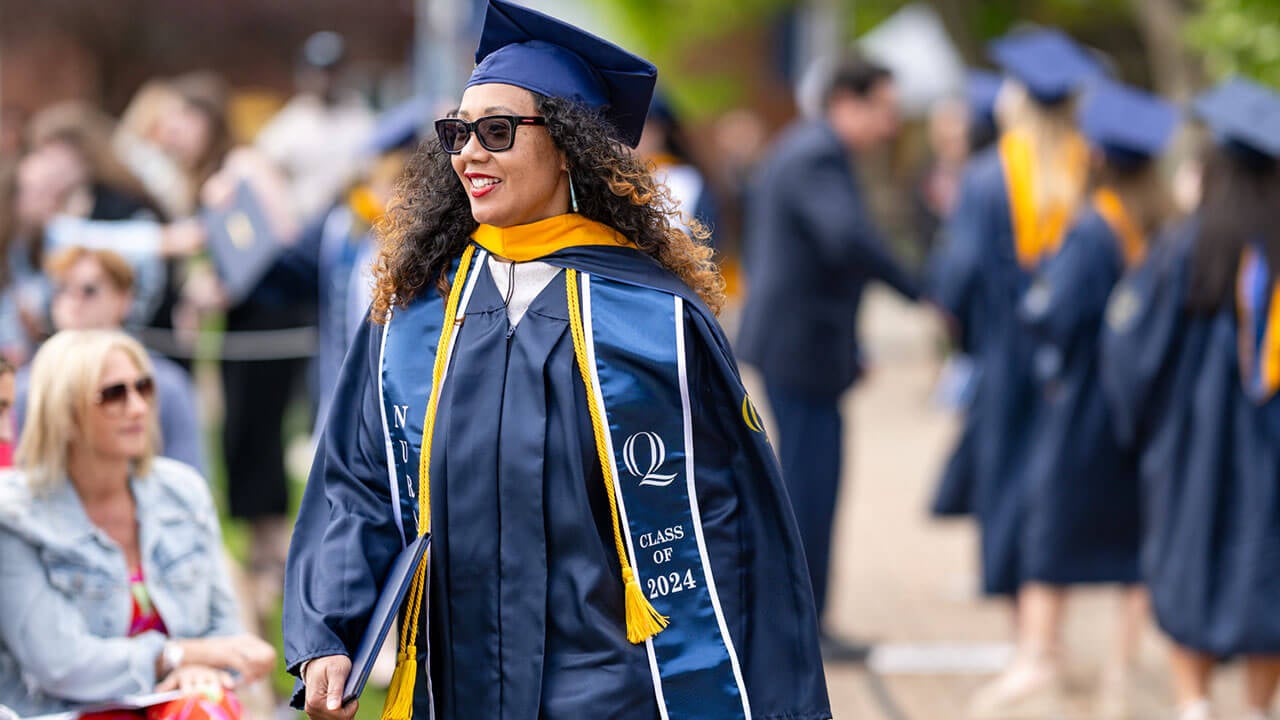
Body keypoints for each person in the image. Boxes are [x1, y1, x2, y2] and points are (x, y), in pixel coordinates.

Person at [284, 2, 829, 719]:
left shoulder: (655, 318)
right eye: (458, 132)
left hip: (616, 685)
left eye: (498, 132)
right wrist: (330, 628)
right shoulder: (416, 314)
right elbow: (357, 483)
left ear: (569, 145)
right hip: (456, 681)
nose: (469, 153)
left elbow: (733, 525)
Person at [970, 81, 1179, 718]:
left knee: (1050, 531)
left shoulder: (1092, 230)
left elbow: (1053, 315)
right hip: (1136, 404)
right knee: (1134, 539)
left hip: (1082, 400)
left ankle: (1036, 658)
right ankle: (1125, 668)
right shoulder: (1158, 226)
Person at [1100, 77, 1280, 720]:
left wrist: (1140, 427)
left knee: (1188, 553)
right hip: (1271, 447)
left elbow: (1131, 350)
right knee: (1267, 563)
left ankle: (1193, 702)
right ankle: (1259, 706)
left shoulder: (1185, 243)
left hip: (1193, 440)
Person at [735, 52, 918, 657]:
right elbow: (848, 240)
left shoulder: (810, 149)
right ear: (847, 102)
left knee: (812, 485)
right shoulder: (815, 156)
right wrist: (924, 288)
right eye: (884, 109)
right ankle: (801, 631)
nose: (890, 126)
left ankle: (802, 624)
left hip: (806, 346)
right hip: (800, 351)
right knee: (811, 491)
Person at [0, 329, 275, 718]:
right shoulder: (15, 516)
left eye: (143, 387)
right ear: (65, 411)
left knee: (201, 705)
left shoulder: (183, 492)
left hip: (181, 703)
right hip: (67, 711)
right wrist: (175, 656)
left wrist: (196, 666)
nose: (138, 407)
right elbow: (59, 663)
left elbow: (225, 629)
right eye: (113, 394)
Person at [930, 28, 1100, 609]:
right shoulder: (1092, 169)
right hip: (1079, 353)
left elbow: (958, 274)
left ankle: (1022, 624)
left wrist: (965, 338)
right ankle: (1054, 614)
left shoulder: (985, 175)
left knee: (1005, 477)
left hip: (1007, 350)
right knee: (1063, 477)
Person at [12, 247, 204, 472]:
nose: (73, 301)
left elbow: (191, 477)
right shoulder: (28, 387)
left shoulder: (165, 383)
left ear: (124, 299)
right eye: (61, 289)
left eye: (89, 290)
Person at [255, 31, 375, 226]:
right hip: (303, 223)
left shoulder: (360, 115)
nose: (325, 79)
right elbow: (259, 164)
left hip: (350, 222)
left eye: (331, 71)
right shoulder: (294, 119)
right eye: (318, 71)